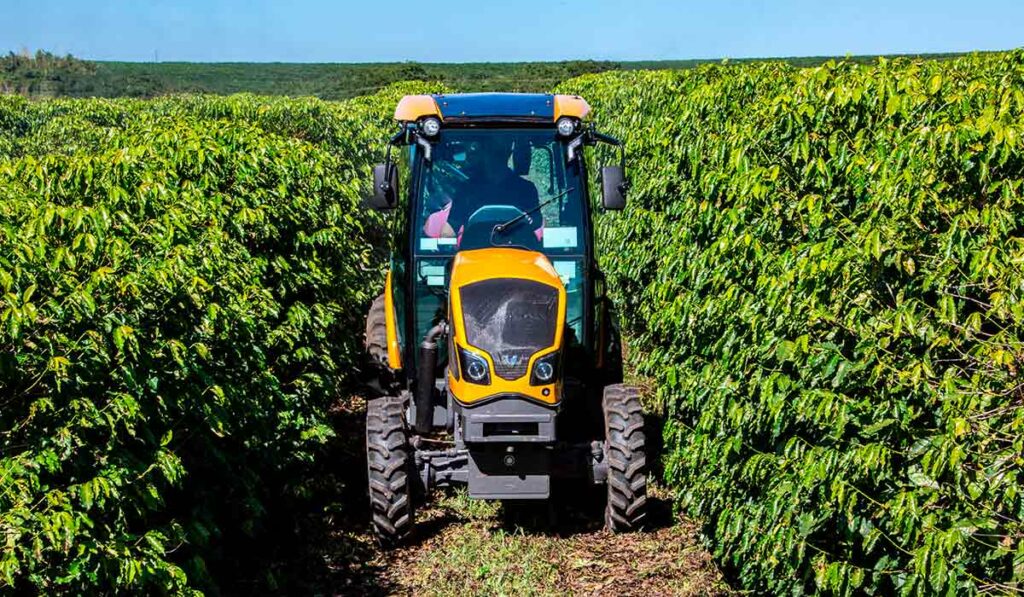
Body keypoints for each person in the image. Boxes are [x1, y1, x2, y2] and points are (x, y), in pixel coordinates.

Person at [423, 136, 541, 241]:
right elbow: (452, 225)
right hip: (472, 256)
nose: (495, 156)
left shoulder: (526, 189)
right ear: (483, 152)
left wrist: (529, 220)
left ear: (509, 152)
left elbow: (536, 221)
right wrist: (444, 245)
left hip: (519, 254)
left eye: (499, 151)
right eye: (491, 150)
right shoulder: (467, 190)